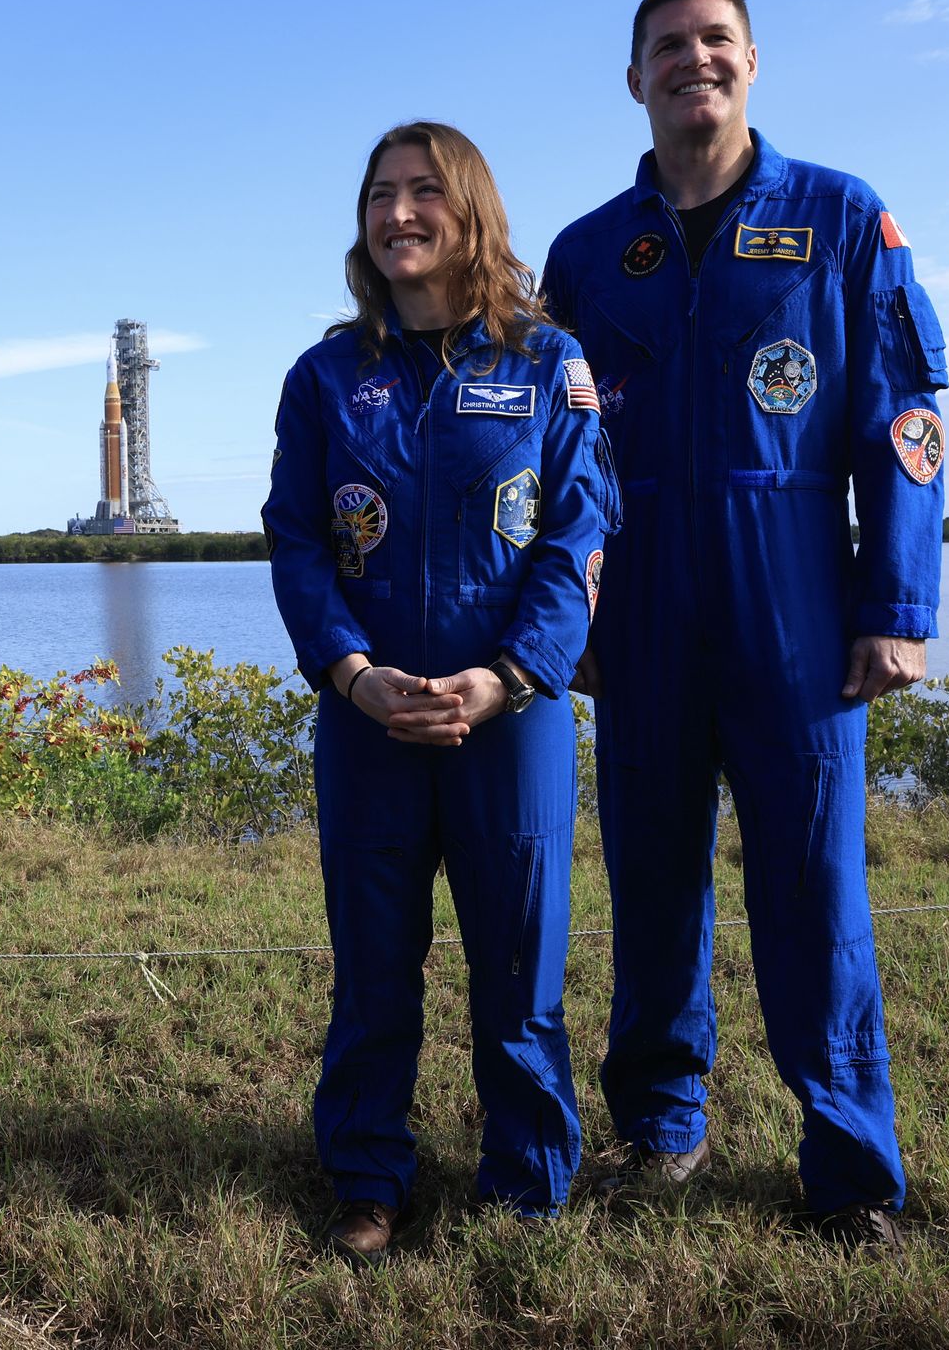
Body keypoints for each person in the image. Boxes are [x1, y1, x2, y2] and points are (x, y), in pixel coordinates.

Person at [541, 0, 948, 1249]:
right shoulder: (589, 253)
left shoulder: (840, 218)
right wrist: (569, 623)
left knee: (814, 893)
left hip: (795, 598)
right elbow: (553, 465)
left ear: (754, 63)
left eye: (716, 42)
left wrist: (896, 603)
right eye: (668, 47)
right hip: (643, 599)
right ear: (634, 79)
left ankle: (849, 1167)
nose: (693, 62)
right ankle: (660, 1127)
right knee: (652, 878)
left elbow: (906, 422)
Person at [263, 122, 616, 1264]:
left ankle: (526, 1179)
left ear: (470, 209)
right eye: (380, 194)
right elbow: (298, 542)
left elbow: (578, 533)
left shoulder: (546, 361)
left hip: (509, 719)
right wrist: (352, 675)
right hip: (369, 721)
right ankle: (369, 1173)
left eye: (423, 191)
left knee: (519, 965)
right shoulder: (326, 376)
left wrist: (508, 676)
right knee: (373, 967)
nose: (398, 212)